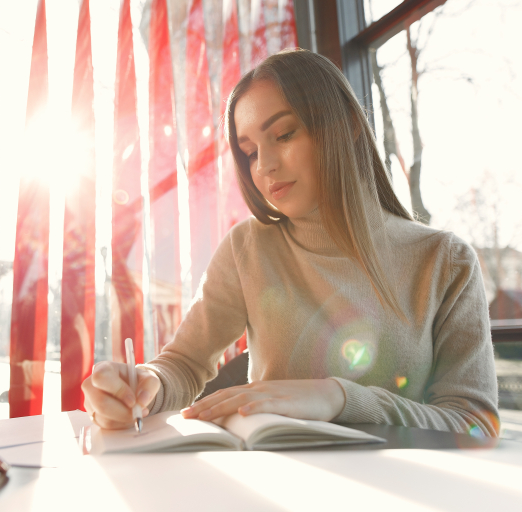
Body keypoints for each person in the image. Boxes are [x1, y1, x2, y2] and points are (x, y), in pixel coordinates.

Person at [82, 49, 499, 437]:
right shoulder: (249, 247)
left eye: (283, 135)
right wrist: (145, 386)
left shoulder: (444, 260)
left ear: (349, 125)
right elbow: (184, 364)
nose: (264, 166)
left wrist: (337, 398)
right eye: (249, 151)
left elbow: (474, 422)